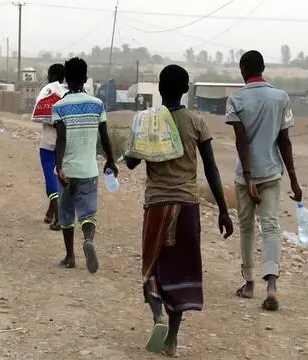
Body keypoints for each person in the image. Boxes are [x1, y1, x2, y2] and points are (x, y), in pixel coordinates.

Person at [124, 64, 234, 357]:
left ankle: (157, 314)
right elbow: (210, 169)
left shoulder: (146, 121)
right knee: (180, 270)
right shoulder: (197, 122)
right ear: (186, 90)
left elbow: (131, 162)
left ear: (159, 89)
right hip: (187, 206)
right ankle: (172, 339)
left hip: (157, 205)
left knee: (153, 265)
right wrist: (223, 210)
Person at [225, 50, 302, 311]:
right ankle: (272, 286)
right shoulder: (281, 98)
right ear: (264, 68)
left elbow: (241, 141)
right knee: (271, 227)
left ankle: (248, 284)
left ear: (243, 70)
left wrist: (247, 178)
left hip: (244, 176)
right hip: (271, 173)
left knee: (247, 229)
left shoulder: (236, 100)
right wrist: (294, 180)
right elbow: (285, 141)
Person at [52, 57, 118, 274]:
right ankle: (88, 240)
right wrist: (110, 159)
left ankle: (70, 256)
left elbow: (60, 140)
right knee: (88, 213)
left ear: (66, 80)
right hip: (89, 170)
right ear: (84, 77)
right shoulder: (97, 104)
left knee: (67, 213)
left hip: (68, 170)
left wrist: (59, 167)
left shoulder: (59, 106)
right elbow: (105, 136)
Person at [32, 64, 67, 231]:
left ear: (52, 75)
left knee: (50, 178)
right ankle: (51, 211)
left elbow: (39, 113)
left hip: (47, 143)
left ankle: (58, 215)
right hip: (66, 143)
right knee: (61, 177)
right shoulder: (68, 93)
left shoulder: (47, 91)